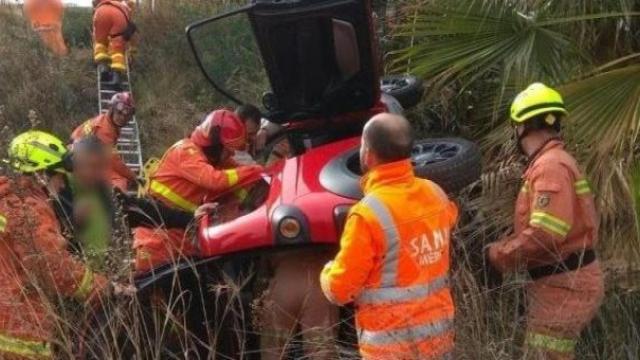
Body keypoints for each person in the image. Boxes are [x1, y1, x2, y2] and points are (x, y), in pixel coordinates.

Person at [320, 113, 458, 360]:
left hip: (391, 349)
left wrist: (327, 273)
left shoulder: (367, 214)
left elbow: (341, 290)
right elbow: (446, 221)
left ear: (368, 154)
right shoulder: (436, 194)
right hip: (439, 341)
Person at [487, 83, 604, 360]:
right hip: (563, 280)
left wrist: (498, 255)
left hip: (564, 284)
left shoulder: (549, 166)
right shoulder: (554, 162)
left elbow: (546, 233)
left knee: (545, 355)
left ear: (524, 125)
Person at [0, 130, 128, 359]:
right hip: (17, 329)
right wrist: (106, 287)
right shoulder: (30, 209)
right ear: (40, 175)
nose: (61, 185)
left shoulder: (6, 199)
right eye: (59, 176)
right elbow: (55, 268)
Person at [133, 109, 263, 273]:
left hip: (182, 232)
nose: (231, 153)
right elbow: (215, 180)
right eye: (228, 148)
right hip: (157, 236)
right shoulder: (186, 152)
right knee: (158, 290)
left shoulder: (213, 158)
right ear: (215, 145)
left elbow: (238, 175)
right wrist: (254, 171)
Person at [52, 135, 194, 273]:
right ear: (72, 164)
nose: (96, 173)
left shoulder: (105, 193)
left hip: (114, 280)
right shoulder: (57, 195)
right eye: (90, 166)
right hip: (81, 285)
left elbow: (144, 210)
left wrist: (191, 219)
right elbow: (50, 249)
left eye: (101, 167)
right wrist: (73, 222)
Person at [70, 92, 137, 192]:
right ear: (112, 109)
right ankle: (116, 206)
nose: (122, 118)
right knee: (119, 181)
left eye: (126, 116)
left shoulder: (106, 120)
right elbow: (114, 161)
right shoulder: (105, 130)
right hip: (79, 159)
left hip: (83, 152)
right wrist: (132, 176)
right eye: (119, 113)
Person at [92, 0, 137, 85]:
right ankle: (116, 78)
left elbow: (94, 2)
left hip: (100, 12)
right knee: (117, 50)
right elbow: (131, 30)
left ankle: (103, 68)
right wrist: (132, 49)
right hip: (118, 15)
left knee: (100, 43)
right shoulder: (126, 5)